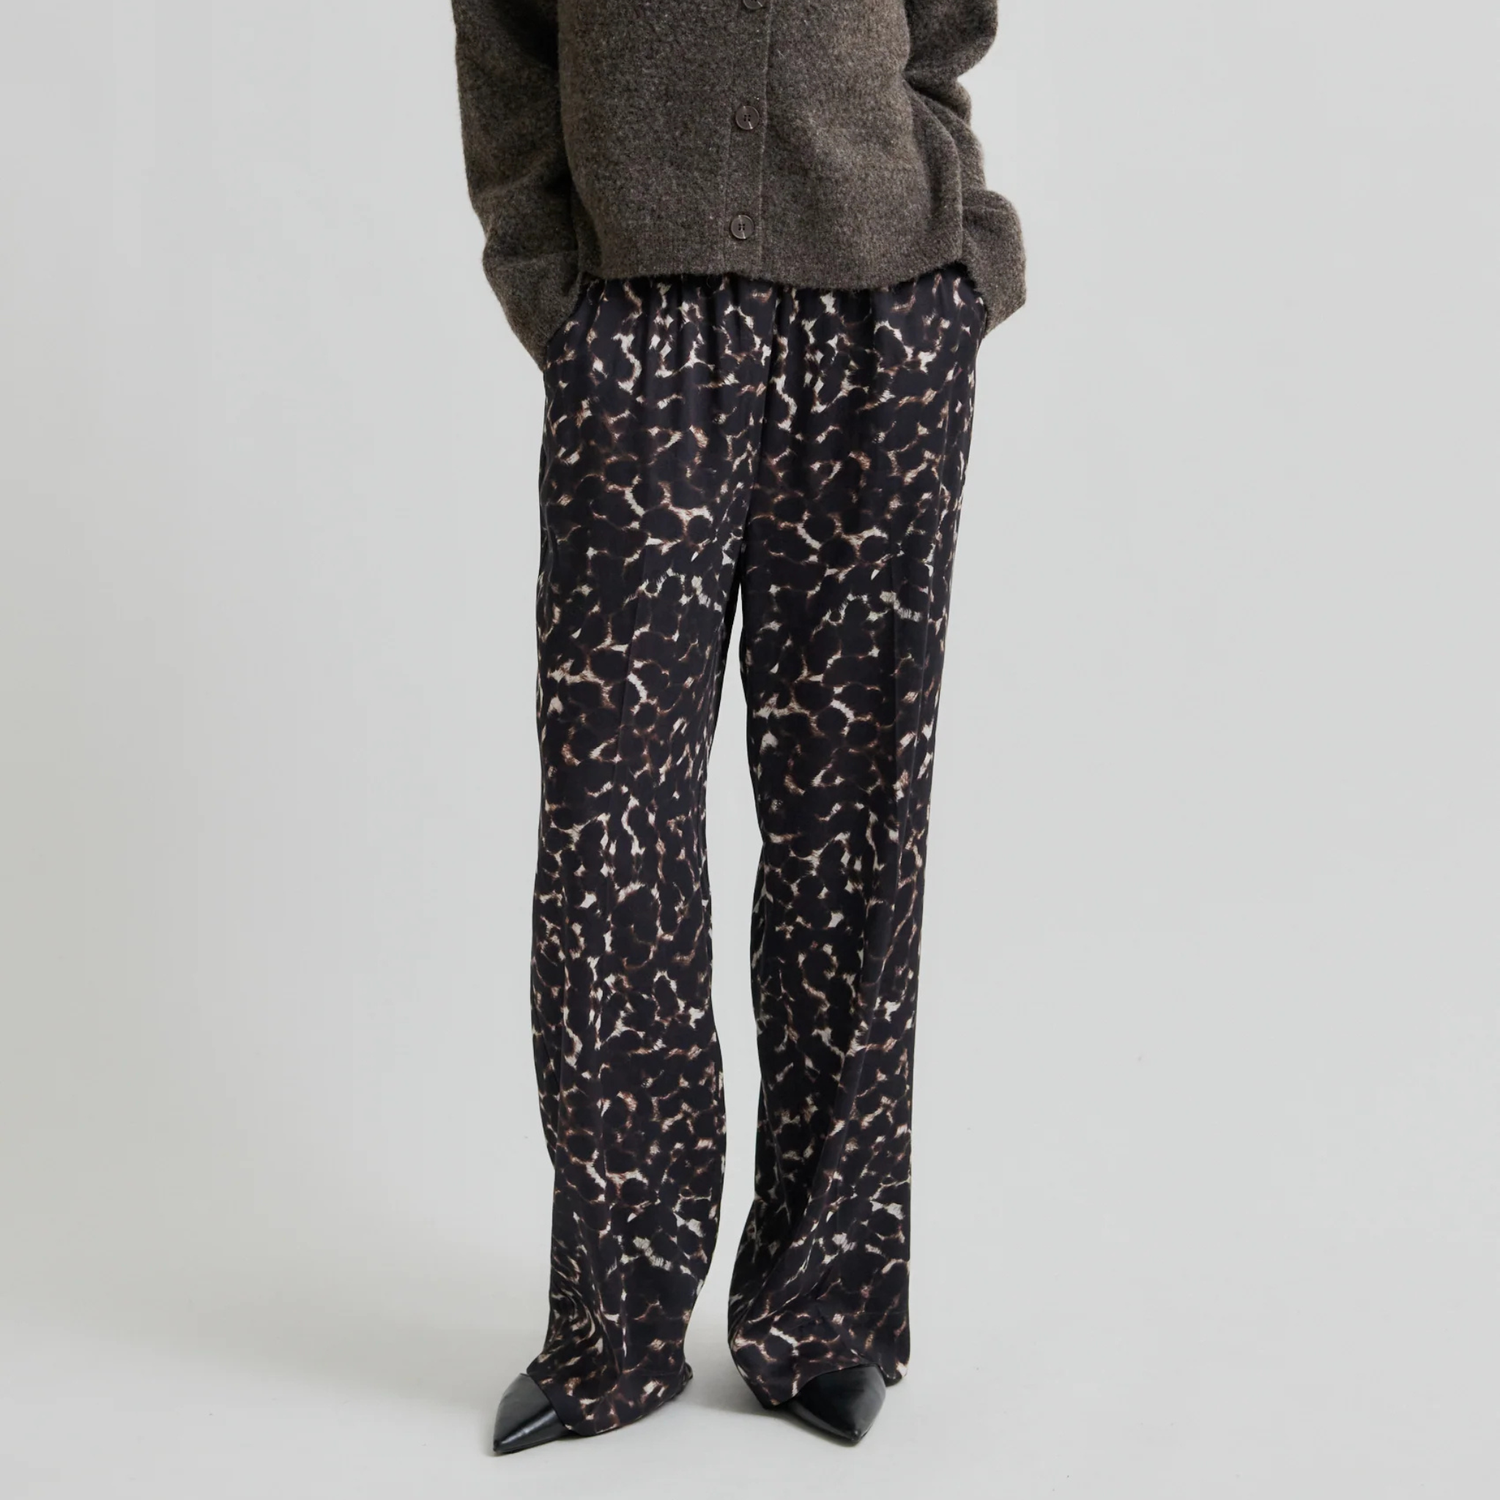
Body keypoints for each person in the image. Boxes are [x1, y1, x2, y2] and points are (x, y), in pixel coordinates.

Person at [448, 0, 1025, 1452]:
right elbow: (505, 42)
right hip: (639, 327)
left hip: (882, 320)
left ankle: (824, 1316)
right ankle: (614, 1325)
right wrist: (551, 286)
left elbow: (943, 34)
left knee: (855, 830)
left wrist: (965, 259)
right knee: (611, 840)